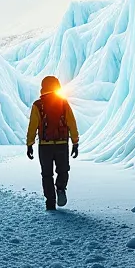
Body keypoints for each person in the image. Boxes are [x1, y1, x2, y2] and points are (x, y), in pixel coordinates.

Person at [25, 75, 79, 211]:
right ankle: (60, 188)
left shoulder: (38, 105)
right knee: (63, 170)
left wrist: (29, 144)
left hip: (44, 146)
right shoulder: (63, 103)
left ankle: (50, 201)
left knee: (46, 174)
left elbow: (33, 126)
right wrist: (75, 142)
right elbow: (71, 123)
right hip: (61, 144)